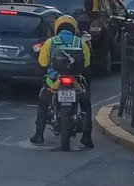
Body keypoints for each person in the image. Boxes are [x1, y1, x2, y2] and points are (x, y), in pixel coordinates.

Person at [31, 15, 93, 148]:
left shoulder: (50, 42)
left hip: (54, 80)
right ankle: (87, 136)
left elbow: (43, 62)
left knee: (43, 102)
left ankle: (39, 134)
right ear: (74, 28)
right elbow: (87, 63)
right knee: (86, 104)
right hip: (76, 80)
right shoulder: (80, 42)